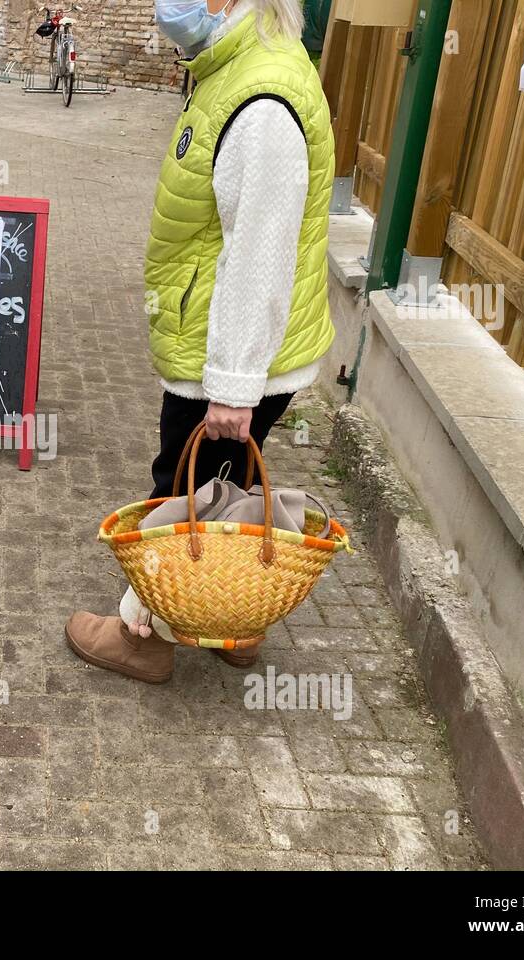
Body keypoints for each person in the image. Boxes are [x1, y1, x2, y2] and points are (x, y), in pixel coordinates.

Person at [65, 0, 335, 683]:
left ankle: (142, 635)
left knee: (180, 493)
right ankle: (235, 624)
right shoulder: (243, 68)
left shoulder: (262, 97)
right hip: (235, 342)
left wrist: (234, 386)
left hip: (230, 352)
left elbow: (259, 252)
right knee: (232, 487)